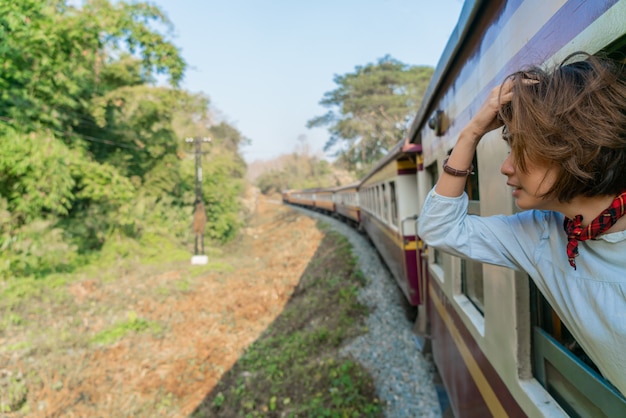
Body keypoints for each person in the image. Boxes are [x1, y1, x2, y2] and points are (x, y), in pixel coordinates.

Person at [417, 52, 626, 396]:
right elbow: (439, 229)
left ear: (573, 146)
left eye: (520, 147)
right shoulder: (541, 234)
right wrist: (471, 133)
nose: (505, 167)